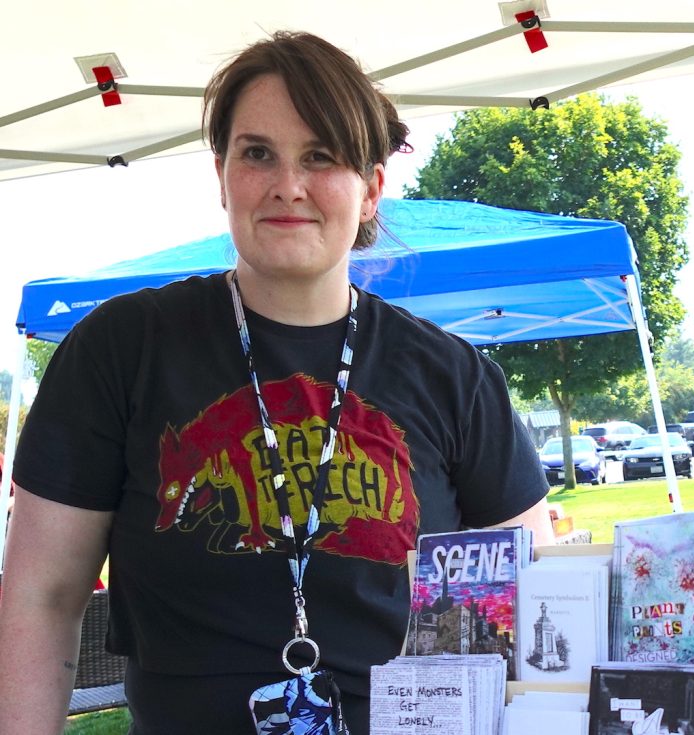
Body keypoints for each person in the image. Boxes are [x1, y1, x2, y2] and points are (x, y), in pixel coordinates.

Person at [0, 31, 553, 735]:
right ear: (222, 172)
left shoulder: (454, 376)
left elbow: (539, 604)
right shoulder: (120, 349)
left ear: (372, 186)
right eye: (257, 152)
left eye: (320, 156)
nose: (288, 184)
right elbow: (42, 599)